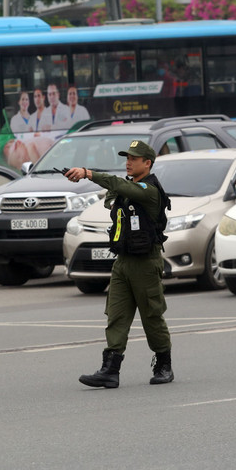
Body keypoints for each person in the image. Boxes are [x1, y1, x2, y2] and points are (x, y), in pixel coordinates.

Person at [64, 140, 174, 388]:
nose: (128, 161)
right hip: (122, 262)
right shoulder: (128, 188)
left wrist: (87, 173)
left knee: (152, 316)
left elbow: (116, 185)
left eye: (134, 158)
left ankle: (164, 364)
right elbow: (112, 195)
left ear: (147, 163)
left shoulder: (149, 190)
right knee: (116, 316)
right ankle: (110, 370)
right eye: (127, 157)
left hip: (146, 263)